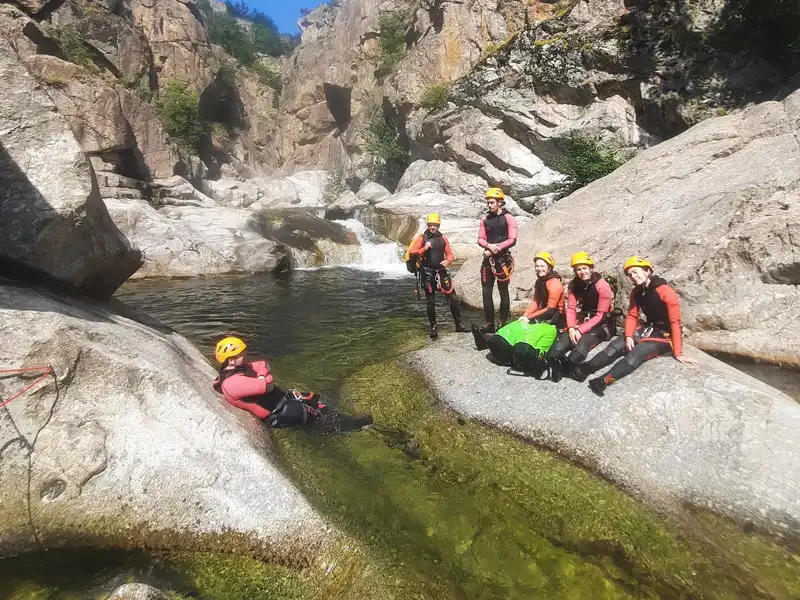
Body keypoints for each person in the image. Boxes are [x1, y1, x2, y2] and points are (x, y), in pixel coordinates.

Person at [568, 257, 697, 396]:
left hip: (665, 335)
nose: (633, 277)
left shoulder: (665, 291)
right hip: (649, 328)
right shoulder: (637, 292)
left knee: (638, 352)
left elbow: (675, 323)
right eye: (630, 275)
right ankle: (586, 368)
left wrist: (678, 353)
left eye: (636, 272)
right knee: (617, 344)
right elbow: (632, 316)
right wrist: (629, 335)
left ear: (647, 271)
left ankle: (603, 381)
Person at [211, 336, 372, 431]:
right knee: (323, 422)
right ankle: (359, 426)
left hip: (285, 400)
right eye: (241, 354)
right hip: (282, 411)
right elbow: (268, 385)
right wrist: (262, 375)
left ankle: (351, 421)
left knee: (318, 404)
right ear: (231, 360)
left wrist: (262, 374)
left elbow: (264, 364)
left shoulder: (239, 368)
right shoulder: (233, 383)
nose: (245, 355)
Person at [546, 251, 615, 382]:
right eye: (578, 269)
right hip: (585, 319)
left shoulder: (602, 286)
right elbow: (571, 308)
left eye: (584, 268)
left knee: (583, 340)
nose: (582, 272)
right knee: (567, 337)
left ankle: (569, 363)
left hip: (603, 324)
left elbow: (601, 315)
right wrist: (571, 327)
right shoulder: (574, 285)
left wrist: (580, 330)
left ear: (591, 268)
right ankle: (553, 359)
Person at [407, 213, 470, 339]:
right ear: (428, 225)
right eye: (431, 225)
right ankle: (433, 327)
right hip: (428, 273)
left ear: (438, 225)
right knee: (431, 302)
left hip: (441, 272)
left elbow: (450, 254)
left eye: (435, 225)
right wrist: (424, 248)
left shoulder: (443, 238)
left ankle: (458, 324)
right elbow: (412, 252)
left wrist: (448, 261)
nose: (433, 227)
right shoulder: (422, 238)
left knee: (453, 298)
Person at [477, 188, 518, 333]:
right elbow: (480, 238)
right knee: (486, 292)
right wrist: (488, 246)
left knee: (503, 292)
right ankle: (489, 323)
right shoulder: (485, 219)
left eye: (492, 202)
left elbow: (512, 239)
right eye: (488, 203)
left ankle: (502, 322)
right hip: (488, 261)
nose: (489, 205)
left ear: (500, 202)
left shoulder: (509, 218)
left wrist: (496, 248)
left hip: (502, 261)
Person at [518, 251, 565, 329]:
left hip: (557, 318)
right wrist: (525, 315)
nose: (539, 269)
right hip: (544, 315)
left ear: (549, 267)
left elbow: (550, 309)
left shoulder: (554, 283)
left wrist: (529, 317)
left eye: (542, 266)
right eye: (537, 266)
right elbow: (536, 301)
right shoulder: (539, 281)